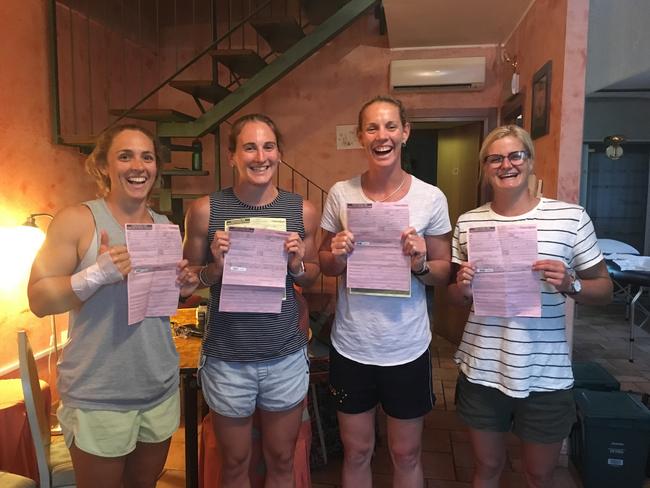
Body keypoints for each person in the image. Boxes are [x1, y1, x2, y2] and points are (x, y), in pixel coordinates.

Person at [27, 124, 198, 488]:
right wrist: (95, 275)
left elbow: (156, 304)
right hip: (98, 393)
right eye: (125, 156)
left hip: (158, 385)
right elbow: (39, 299)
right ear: (104, 166)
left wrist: (183, 285)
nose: (138, 166)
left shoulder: (164, 225)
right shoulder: (77, 220)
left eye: (146, 157)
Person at [447, 125, 613, 488]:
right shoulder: (468, 222)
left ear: (530, 161)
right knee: (486, 467)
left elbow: (605, 289)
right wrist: (463, 287)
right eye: (495, 158)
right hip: (482, 366)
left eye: (515, 155)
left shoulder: (570, 218)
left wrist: (572, 283)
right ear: (484, 167)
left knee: (539, 474)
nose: (506, 164)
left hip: (544, 371)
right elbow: (457, 299)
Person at [319, 95, 452, 487]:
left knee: (405, 453)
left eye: (391, 126)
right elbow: (324, 263)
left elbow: (443, 273)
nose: (382, 135)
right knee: (357, 450)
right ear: (361, 136)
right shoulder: (341, 193)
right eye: (372, 127)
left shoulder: (431, 198)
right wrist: (338, 254)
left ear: (405, 132)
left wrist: (421, 263)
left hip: (406, 346)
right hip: (352, 344)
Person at [182, 113, 320, 487]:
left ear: (279, 153)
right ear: (232, 156)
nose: (260, 156)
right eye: (249, 147)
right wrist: (214, 269)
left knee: (280, 460)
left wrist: (296, 263)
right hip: (228, 358)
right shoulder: (204, 211)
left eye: (268, 146)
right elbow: (185, 285)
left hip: (284, 356)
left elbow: (314, 273)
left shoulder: (302, 210)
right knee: (235, 463)